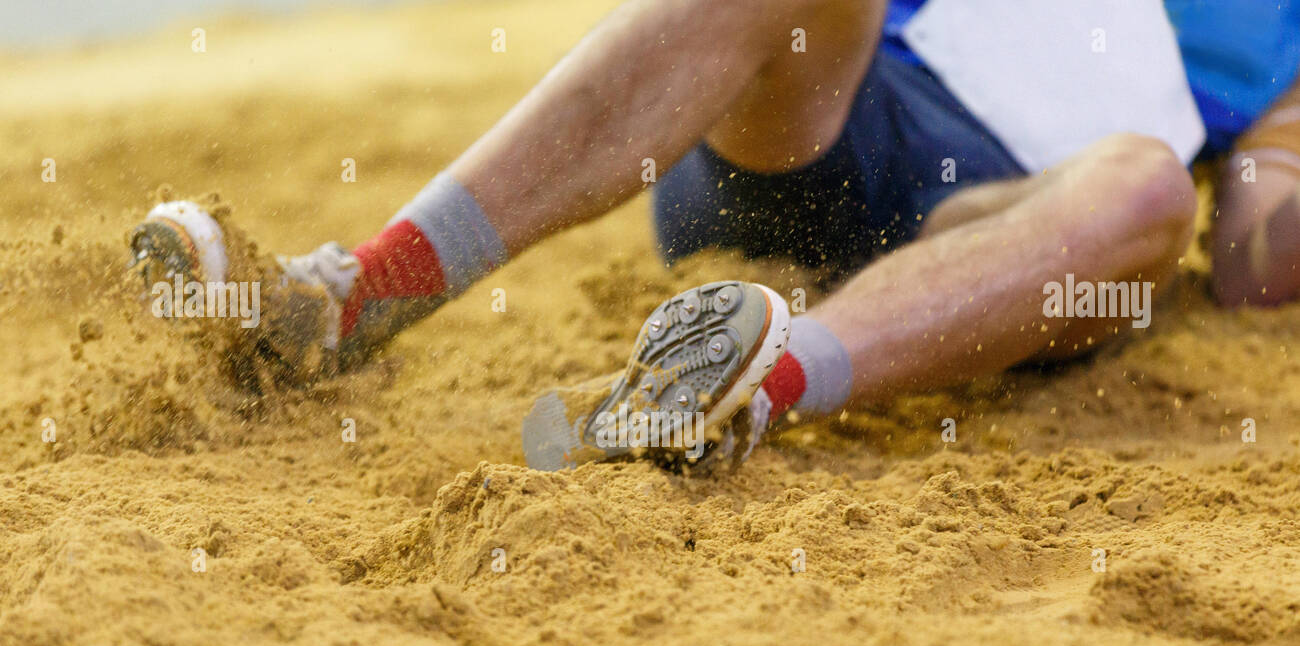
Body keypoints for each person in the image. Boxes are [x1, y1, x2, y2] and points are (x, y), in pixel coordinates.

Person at [129, 0, 1300, 471]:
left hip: (1009, 221)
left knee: (1148, 188)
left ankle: (734, 386)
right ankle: (347, 301)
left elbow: (1252, 266)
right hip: (825, 122)